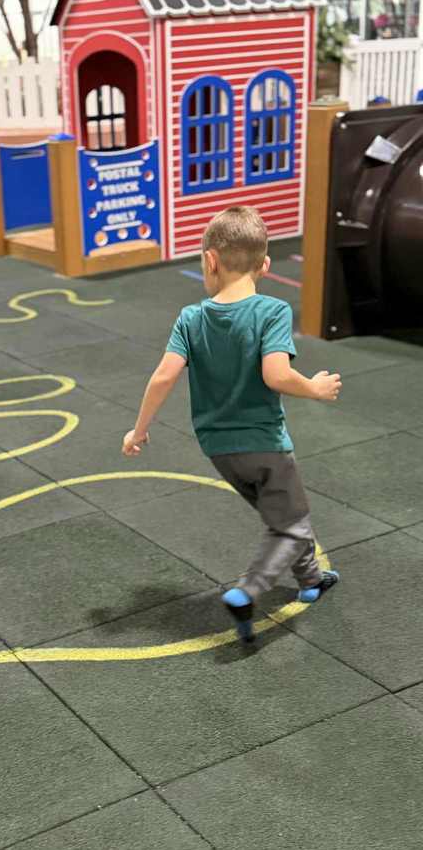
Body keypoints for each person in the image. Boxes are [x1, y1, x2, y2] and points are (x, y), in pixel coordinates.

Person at [122, 206, 341, 643]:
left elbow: (164, 375)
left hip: (219, 451)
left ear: (210, 260)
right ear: (265, 265)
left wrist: (139, 429)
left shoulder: (190, 318)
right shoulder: (272, 311)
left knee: (286, 512)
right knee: (289, 522)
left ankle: (312, 579)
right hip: (265, 444)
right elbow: (276, 375)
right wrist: (314, 389)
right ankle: (248, 590)